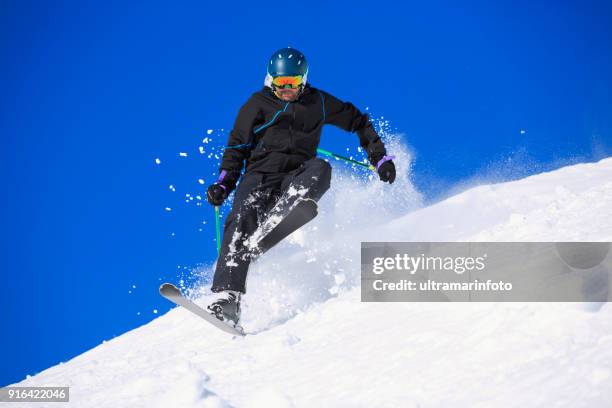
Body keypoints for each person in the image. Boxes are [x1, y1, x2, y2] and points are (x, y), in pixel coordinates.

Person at [205, 47, 396, 327]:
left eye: (293, 84)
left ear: (303, 80)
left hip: (295, 176)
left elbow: (358, 121)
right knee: (241, 218)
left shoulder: (317, 102)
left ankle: (287, 209)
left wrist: (379, 157)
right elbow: (236, 147)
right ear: (270, 80)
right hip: (259, 176)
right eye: (280, 83)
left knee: (322, 169)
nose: (287, 90)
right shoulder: (256, 104)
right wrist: (223, 185)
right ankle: (228, 299)